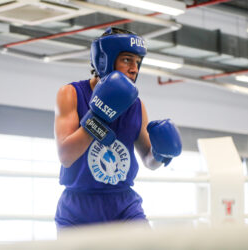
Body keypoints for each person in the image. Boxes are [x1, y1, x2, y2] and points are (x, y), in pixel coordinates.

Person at [54, 27, 182, 230]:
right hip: (78, 207)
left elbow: (149, 161)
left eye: (138, 63)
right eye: (127, 60)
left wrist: (160, 153)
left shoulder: (137, 105)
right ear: (105, 59)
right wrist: (100, 114)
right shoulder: (71, 93)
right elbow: (66, 155)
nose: (135, 69)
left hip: (123, 205)